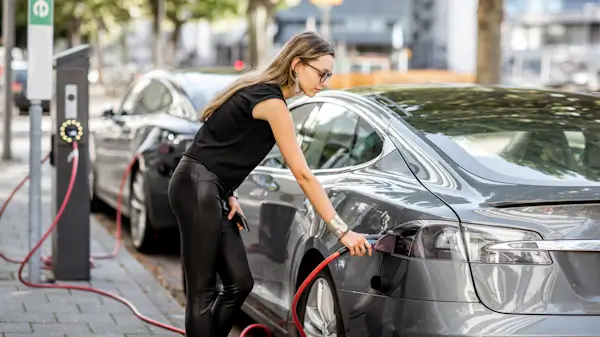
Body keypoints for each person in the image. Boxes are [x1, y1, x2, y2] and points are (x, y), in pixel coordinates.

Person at [167, 31, 373, 337]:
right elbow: (303, 174)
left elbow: (223, 139)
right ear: (297, 65)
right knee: (203, 292)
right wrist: (342, 230)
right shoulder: (272, 102)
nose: (324, 81)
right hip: (197, 186)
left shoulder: (263, 93)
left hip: (211, 189)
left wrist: (229, 192)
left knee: (239, 283)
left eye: (329, 75)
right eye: (321, 73)